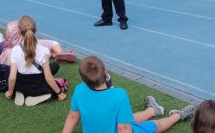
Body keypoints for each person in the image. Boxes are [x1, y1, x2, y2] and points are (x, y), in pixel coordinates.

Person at [62, 55, 196, 133]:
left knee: (127, 117)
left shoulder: (79, 89)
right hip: (120, 128)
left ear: (83, 79)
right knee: (156, 125)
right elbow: (123, 128)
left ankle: (152, 110)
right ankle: (178, 115)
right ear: (105, 73)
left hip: (111, 123)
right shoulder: (119, 95)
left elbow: (73, 116)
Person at [5, 15, 67, 106]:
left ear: (19, 31)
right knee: (60, 79)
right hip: (38, 86)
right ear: (35, 29)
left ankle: (20, 93)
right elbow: (48, 77)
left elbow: (12, 77)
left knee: (54, 66)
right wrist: (59, 93)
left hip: (21, 85)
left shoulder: (15, 50)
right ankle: (40, 96)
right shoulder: (44, 50)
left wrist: (10, 93)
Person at [0, 20, 76, 63]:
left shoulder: (2, 50)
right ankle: (59, 52)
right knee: (54, 43)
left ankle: (55, 55)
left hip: (31, 50)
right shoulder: (1, 45)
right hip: (32, 45)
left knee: (46, 51)